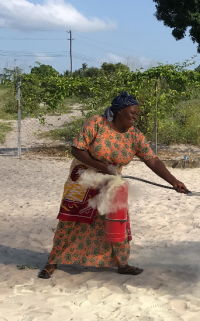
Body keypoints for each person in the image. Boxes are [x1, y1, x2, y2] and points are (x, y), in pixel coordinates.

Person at [39, 91, 189, 279]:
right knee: (71, 220)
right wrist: (102, 167)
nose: (136, 116)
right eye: (132, 112)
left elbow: (152, 160)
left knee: (116, 221)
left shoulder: (135, 136)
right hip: (83, 180)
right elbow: (77, 150)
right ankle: (52, 261)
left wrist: (173, 181)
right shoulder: (96, 124)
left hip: (112, 183)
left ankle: (122, 263)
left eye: (137, 113)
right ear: (119, 112)